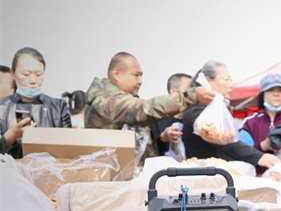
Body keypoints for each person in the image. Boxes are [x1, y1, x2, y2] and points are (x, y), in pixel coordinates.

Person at [84, 52, 214, 161]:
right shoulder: (107, 101)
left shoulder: (120, 99)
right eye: (136, 75)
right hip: (116, 182)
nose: (140, 81)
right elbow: (144, 108)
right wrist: (191, 96)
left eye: (141, 76)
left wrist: (162, 138)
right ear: (117, 73)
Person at [181, 61, 277, 170]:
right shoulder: (198, 111)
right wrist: (258, 156)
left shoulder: (219, 109)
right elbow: (223, 142)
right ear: (208, 81)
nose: (231, 85)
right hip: (206, 177)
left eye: (231, 80)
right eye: (226, 79)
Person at [0, 48, 71, 158]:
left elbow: (69, 149)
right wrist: (9, 137)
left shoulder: (59, 107)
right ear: (13, 73)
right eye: (26, 74)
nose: (33, 80)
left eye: (38, 75)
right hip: (10, 173)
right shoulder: (2, 108)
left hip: (49, 172)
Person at [151, 72, 192, 155]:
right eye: (190, 89)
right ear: (174, 92)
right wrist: (163, 138)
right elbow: (148, 152)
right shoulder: (157, 118)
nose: (193, 93)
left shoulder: (194, 118)